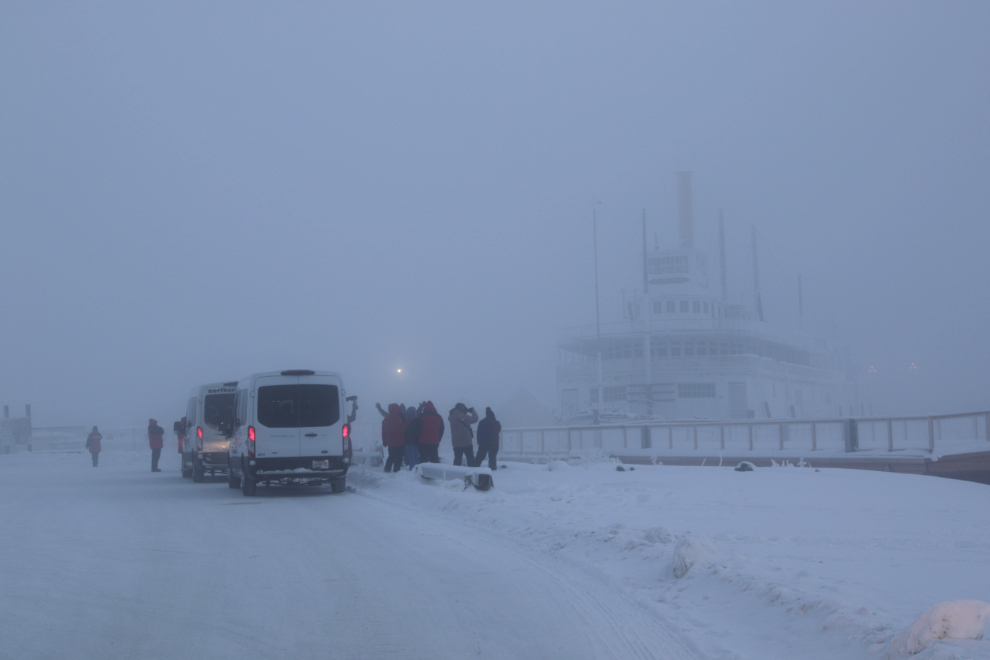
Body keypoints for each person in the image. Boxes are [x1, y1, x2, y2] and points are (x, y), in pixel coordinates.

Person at [380, 403, 406, 473]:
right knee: (398, 456)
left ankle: (387, 469)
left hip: (390, 442)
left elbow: (383, 431)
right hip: (399, 440)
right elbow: (406, 424)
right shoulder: (400, 417)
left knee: (391, 456)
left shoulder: (386, 419)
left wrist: (384, 441)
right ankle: (396, 471)